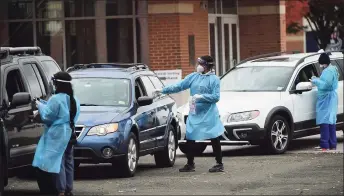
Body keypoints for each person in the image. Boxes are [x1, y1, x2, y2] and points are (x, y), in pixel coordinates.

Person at [155, 56, 225, 172]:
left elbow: (216, 96)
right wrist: (163, 90)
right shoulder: (193, 77)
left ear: (207, 65)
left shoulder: (214, 79)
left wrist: (202, 97)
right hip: (195, 111)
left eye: (201, 64)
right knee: (190, 135)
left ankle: (219, 163)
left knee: (214, 136)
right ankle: (190, 163)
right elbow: (179, 86)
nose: (198, 66)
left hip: (209, 112)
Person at [32, 71, 80, 196]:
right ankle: (69, 189)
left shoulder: (55, 99)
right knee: (69, 161)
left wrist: (39, 106)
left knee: (59, 162)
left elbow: (48, 116)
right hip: (70, 133)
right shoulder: (74, 100)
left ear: (57, 84)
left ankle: (61, 190)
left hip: (57, 135)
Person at [311, 53, 339, 151]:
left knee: (324, 122)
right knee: (331, 122)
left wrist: (315, 80)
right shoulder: (334, 69)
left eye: (321, 63)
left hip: (325, 99)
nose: (320, 66)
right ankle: (332, 144)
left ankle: (324, 145)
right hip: (331, 98)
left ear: (323, 62)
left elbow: (325, 85)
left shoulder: (328, 71)